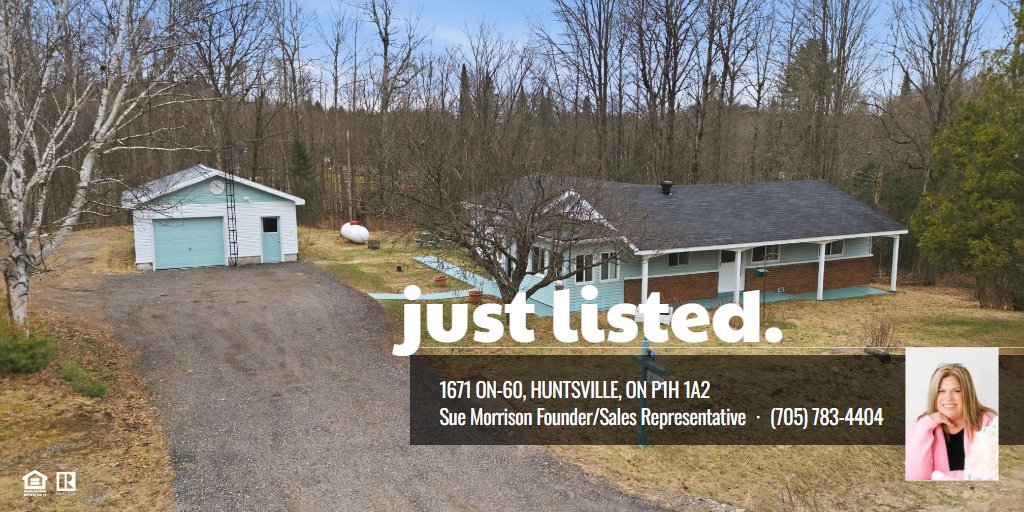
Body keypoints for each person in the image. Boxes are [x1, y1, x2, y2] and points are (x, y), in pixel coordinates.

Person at [906, 363, 997, 480]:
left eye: (956, 391)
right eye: (941, 391)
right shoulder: (920, 427)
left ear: (967, 394)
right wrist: (926, 426)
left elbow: (992, 476)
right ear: (934, 395)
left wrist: (938, 476)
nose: (948, 398)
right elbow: (915, 478)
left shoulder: (990, 423)